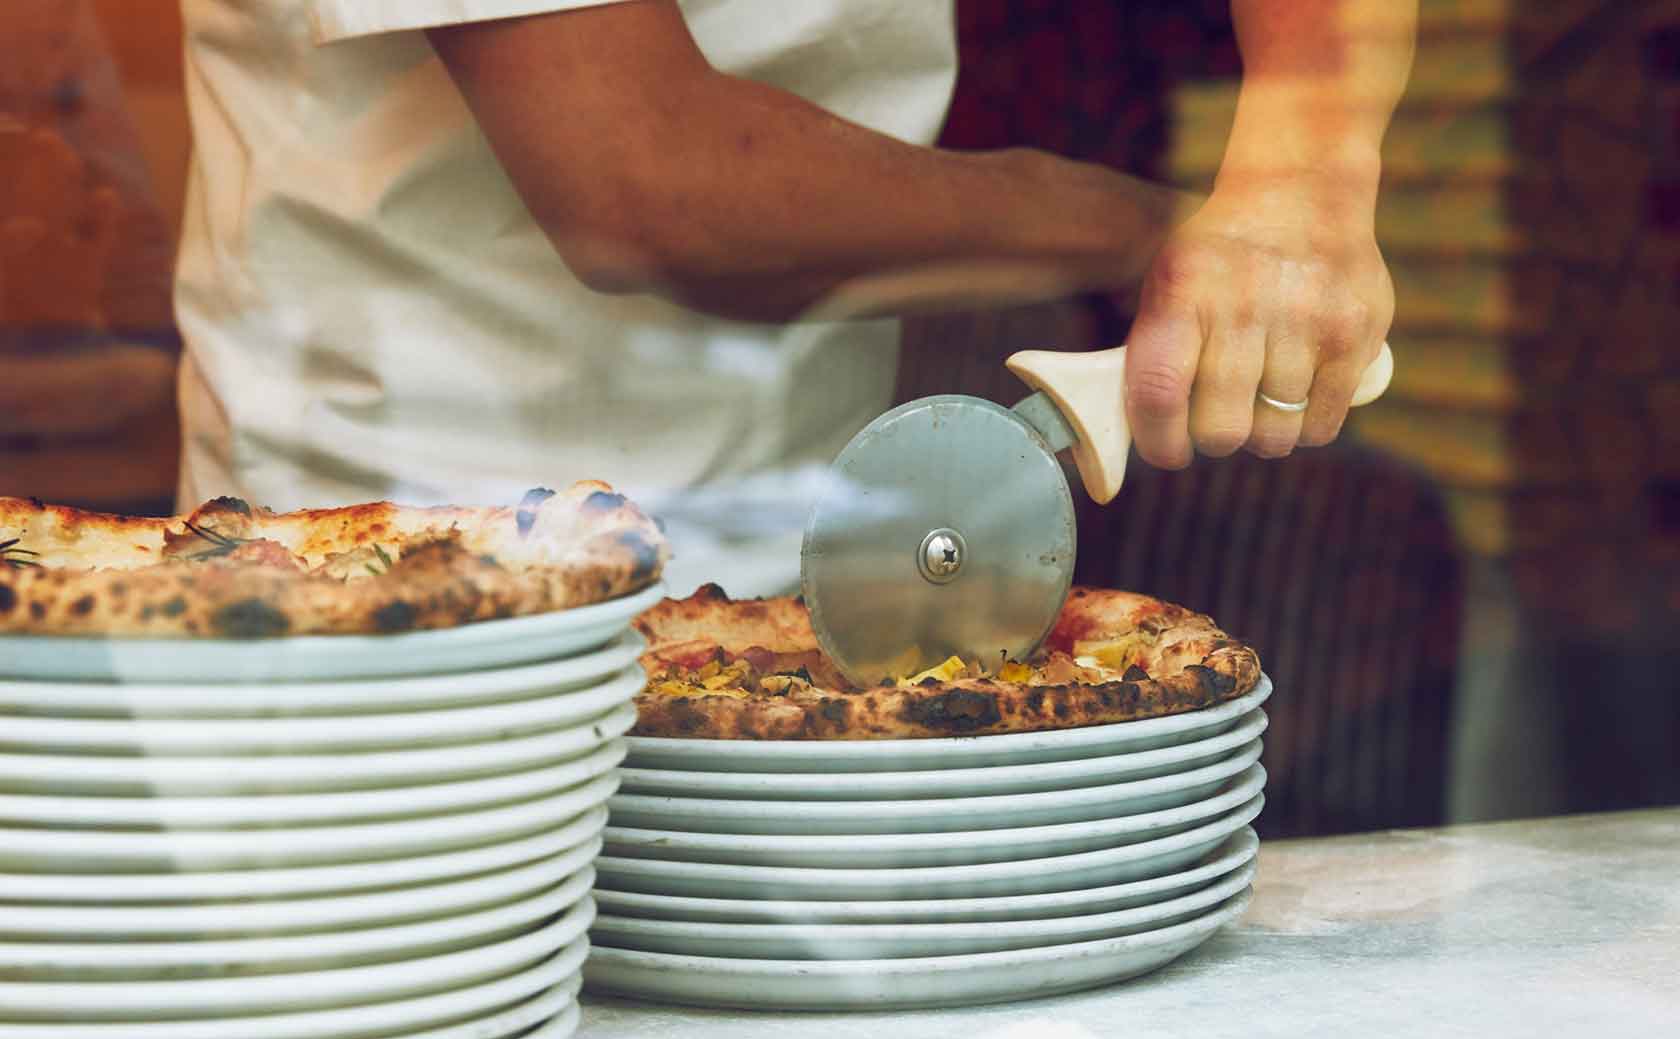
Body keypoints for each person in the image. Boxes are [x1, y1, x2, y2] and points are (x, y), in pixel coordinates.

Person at [174, 0, 1413, 595]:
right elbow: (649, 182)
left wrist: (1305, 150)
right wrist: (1144, 226)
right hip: (392, 604)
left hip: (796, 588)